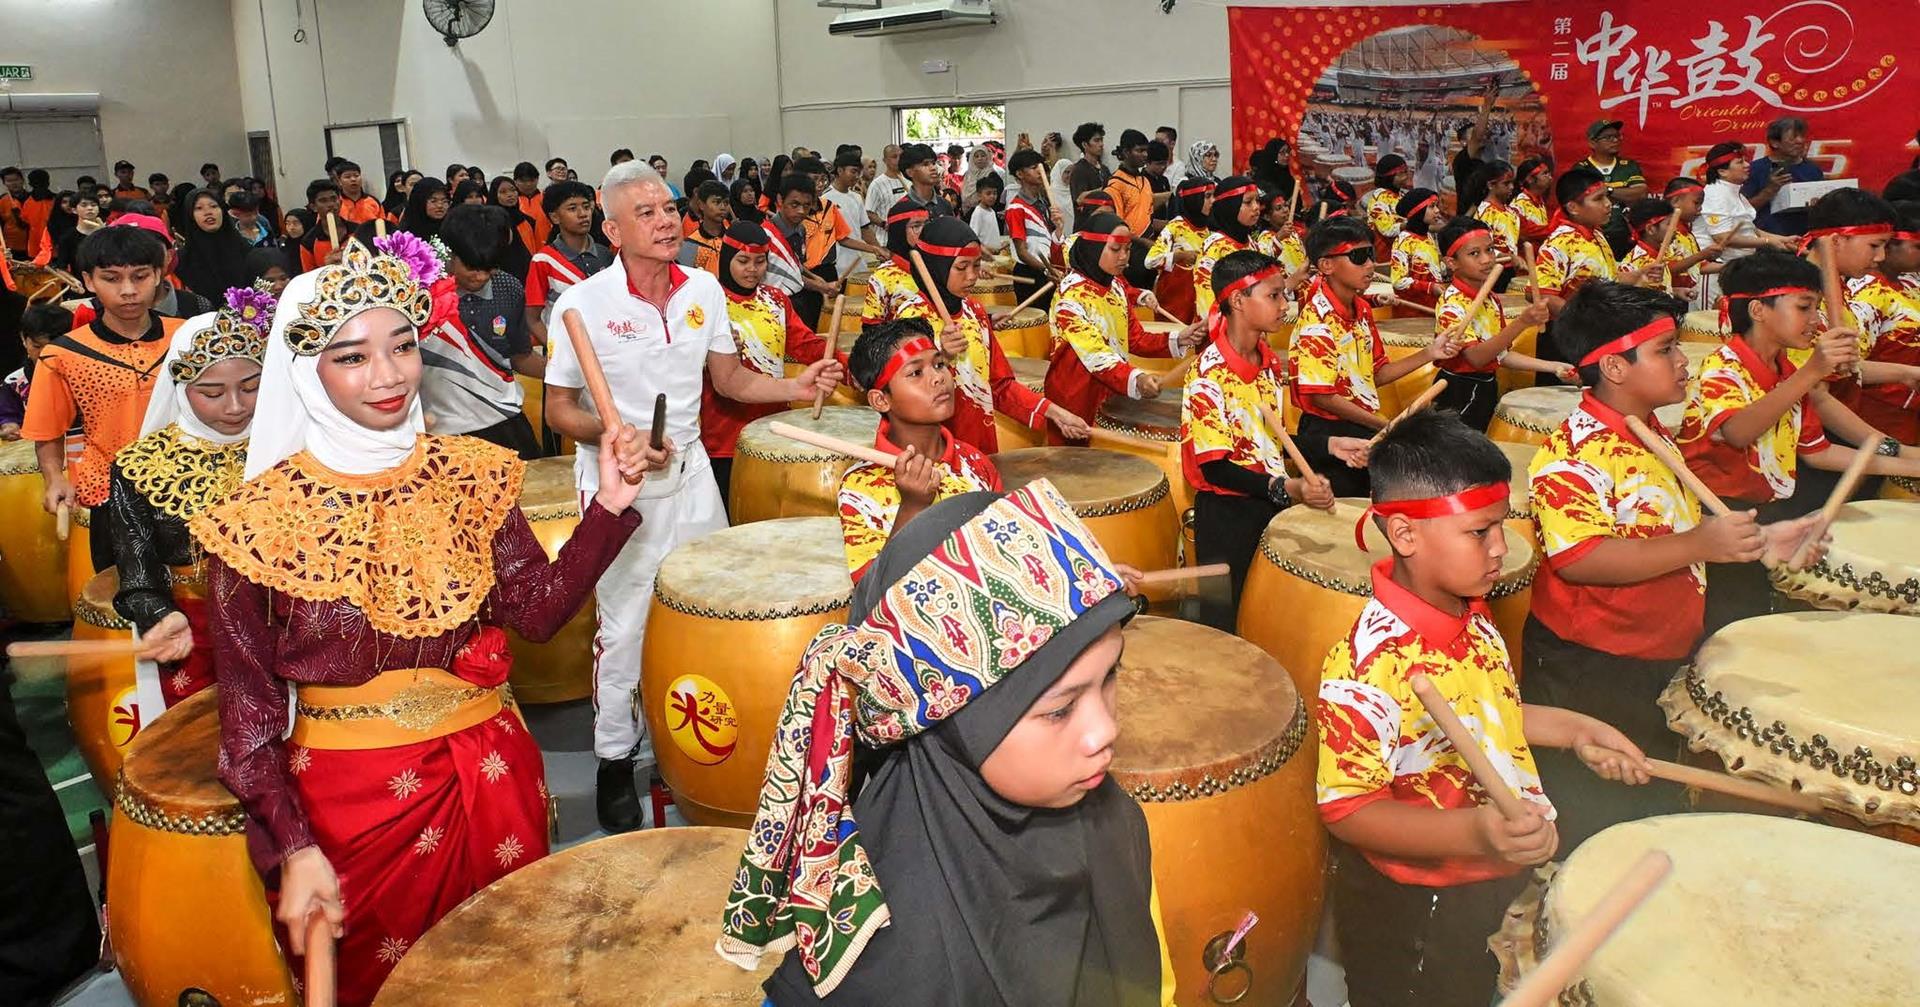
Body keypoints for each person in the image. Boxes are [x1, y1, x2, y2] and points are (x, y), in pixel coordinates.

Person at [191, 238, 648, 1007]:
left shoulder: (468, 472)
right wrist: (293, 847)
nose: (390, 374)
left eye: (402, 345)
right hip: (353, 805)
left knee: (519, 972)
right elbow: (248, 720)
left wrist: (608, 506)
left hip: (494, 769)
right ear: (308, 370)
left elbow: (534, 613)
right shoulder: (254, 523)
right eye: (353, 357)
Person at [718, 482, 1170, 1007]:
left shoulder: (1113, 821)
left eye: (1110, 675)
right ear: (958, 720)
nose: (1105, 731)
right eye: (1059, 709)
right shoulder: (881, 961)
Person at [1319, 408, 1655, 1007]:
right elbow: (1347, 811)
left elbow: (1489, 716)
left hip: (1485, 872)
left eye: (1502, 525)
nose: (1502, 547)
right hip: (1414, 900)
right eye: (1481, 531)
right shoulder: (1367, 663)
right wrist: (1476, 830)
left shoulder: (1471, 612)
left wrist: (1578, 730)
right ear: (1404, 535)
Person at [545, 163, 842, 832]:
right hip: (620, 487)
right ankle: (614, 760)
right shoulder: (581, 306)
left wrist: (797, 386)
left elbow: (730, 379)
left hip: (692, 476)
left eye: (667, 206)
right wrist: (610, 433)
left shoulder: (704, 288)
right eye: (645, 212)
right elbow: (559, 406)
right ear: (613, 229)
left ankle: (701, 751)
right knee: (623, 629)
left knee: (711, 610)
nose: (665, 219)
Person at [1524, 280, 1818, 850]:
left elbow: (1668, 529)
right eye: (1666, 350)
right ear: (1614, 366)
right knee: (1597, 816)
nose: (1686, 362)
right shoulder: (1574, 452)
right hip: (1595, 661)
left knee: (1643, 793)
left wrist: (1764, 538)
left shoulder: (1650, 433)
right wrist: (1700, 546)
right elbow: (1581, 558)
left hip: (1651, 647)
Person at [1676, 250, 1916, 634]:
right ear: (1758, 310)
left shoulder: (1784, 368)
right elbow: (1738, 432)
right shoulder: (1724, 366)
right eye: (1804, 307)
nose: (1816, 320)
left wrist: (1910, 464)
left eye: (1818, 308)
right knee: (1731, 626)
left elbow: (1816, 451)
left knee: (1759, 612)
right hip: (1718, 514)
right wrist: (1812, 373)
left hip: (1763, 509)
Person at [108, 288, 270, 724]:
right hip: (193, 631)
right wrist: (159, 615)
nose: (235, 407)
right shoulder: (140, 466)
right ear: (180, 388)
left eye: (251, 387)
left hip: (282, 627)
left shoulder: (285, 450)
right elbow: (137, 573)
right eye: (212, 393)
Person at [1182, 250, 1339, 626]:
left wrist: (1330, 445)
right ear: (1238, 300)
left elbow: (1270, 438)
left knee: (1264, 620)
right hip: (1226, 517)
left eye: (1284, 294)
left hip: (1267, 501)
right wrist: (1288, 488)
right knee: (1222, 625)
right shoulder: (1208, 375)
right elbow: (1216, 469)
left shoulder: (1268, 361)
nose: (1285, 305)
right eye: (1274, 296)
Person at [24, 224, 183, 572]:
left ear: (159, 274)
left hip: (187, 487)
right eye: (111, 278)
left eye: (140, 276)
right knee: (126, 602)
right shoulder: (63, 354)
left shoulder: (187, 338)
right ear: (88, 280)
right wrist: (54, 478)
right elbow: (47, 432)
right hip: (110, 496)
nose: (128, 290)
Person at [1292, 216, 1458, 496]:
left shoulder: (1361, 309)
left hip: (1361, 422)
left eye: (1370, 254)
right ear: (1326, 265)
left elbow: (1376, 374)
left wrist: (1430, 352)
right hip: (1328, 433)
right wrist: (1385, 425)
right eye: (1358, 256)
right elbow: (1322, 396)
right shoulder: (1316, 321)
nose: (1370, 264)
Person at [901, 216, 1086, 451]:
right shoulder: (911, 318)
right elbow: (906, 396)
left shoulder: (974, 312)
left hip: (979, 442)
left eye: (976, 265)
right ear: (935, 265)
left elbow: (1000, 386)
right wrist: (941, 358)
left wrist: (1054, 412)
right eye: (961, 267)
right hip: (935, 450)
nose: (971, 276)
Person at [836, 318, 1003, 580]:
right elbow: (871, 591)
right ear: (881, 399)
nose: (938, 378)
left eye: (939, 364)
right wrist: (913, 506)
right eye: (916, 373)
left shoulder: (975, 463)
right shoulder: (860, 486)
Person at [702, 220, 828, 507]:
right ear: (726, 258)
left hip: (775, 424)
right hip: (725, 435)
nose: (752, 269)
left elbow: (804, 344)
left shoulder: (776, 299)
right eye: (743, 261)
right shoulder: (711, 303)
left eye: (760, 261)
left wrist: (845, 362)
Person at [1046, 213, 1199, 443]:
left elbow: (1135, 338)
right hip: (1074, 397)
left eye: (1127, 250)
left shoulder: (1115, 286)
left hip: (1111, 389)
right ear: (1094, 249)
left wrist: (1179, 338)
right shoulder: (1070, 297)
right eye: (1115, 249)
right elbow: (1096, 354)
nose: (1124, 258)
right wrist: (1136, 379)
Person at [420, 207, 543, 457]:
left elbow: (520, 356)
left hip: (504, 421)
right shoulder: (421, 294)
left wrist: (570, 372)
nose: (482, 276)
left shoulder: (508, 287)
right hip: (443, 431)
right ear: (450, 254)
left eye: (490, 268)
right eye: (473, 267)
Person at [1432, 217, 1562, 429]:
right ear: (1451, 263)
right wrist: (1522, 322)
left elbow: (1500, 354)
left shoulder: (1490, 299)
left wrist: (1554, 367)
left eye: (1490, 250)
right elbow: (1476, 358)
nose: (1486, 259)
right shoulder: (1452, 305)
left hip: (1486, 386)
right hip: (1458, 391)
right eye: (1474, 253)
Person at [523, 180, 611, 353]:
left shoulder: (604, 254)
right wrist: (556, 350)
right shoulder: (543, 261)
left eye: (586, 206)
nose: (583, 214)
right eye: (572, 208)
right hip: (565, 355)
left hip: (605, 351)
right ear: (554, 217)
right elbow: (532, 318)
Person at [760, 170, 842, 325]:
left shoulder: (801, 229)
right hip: (773, 306)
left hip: (797, 301)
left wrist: (816, 278)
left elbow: (796, 265)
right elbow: (789, 274)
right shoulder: (766, 234)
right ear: (779, 200)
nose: (801, 211)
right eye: (794, 204)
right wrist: (819, 286)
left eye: (806, 205)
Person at [1574, 119, 1648, 258]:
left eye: (1617, 136)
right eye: (1608, 137)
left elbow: (1640, 193)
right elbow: (1581, 202)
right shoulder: (1581, 168)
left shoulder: (1628, 166)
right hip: (1592, 237)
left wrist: (1607, 191)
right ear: (1592, 143)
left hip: (1625, 237)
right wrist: (1624, 194)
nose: (1615, 140)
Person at [1743, 117, 1825, 238]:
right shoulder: (1754, 169)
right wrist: (1769, 190)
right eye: (1793, 138)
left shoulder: (1813, 169)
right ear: (1774, 142)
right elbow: (1741, 211)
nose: (1800, 141)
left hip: (1805, 240)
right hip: (1766, 242)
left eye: (1802, 136)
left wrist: (1820, 206)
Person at [1146, 177, 1213, 322]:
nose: (1212, 201)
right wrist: (1179, 256)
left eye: (1213, 196)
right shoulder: (1176, 226)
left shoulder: (1208, 231)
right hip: (1173, 305)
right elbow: (1150, 261)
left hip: (1196, 305)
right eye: (1207, 196)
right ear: (1194, 199)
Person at [0, 304, 68, 441]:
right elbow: (8, 415)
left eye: (55, 347)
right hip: (39, 450)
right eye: (37, 346)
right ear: (23, 339)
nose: (44, 353)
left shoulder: (87, 374)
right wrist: (10, 425)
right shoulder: (15, 382)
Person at [1193, 176, 1260, 316]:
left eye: (1257, 201)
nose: (1256, 207)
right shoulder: (1214, 246)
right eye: (1248, 202)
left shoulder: (1252, 243)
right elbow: (1206, 303)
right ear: (1230, 207)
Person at [862, 198, 931, 325]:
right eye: (916, 226)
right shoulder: (882, 277)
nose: (924, 231)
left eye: (926, 224)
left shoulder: (938, 267)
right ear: (899, 231)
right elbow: (871, 327)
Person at [176, 188, 254, 298]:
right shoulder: (183, 260)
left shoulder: (245, 249)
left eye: (214, 206)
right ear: (190, 216)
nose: (208, 212)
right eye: (199, 208)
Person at [1005, 148, 1063, 286]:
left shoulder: (1044, 202)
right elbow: (1022, 252)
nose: (1039, 171)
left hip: (1049, 270)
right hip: (1030, 272)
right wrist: (1046, 269)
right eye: (1033, 167)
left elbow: (1052, 238)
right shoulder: (1016, 208)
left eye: (1041, 167)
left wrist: (1059, 226)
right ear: (1020, 174)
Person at [823, 151, 880, 279]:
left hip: (858, 263)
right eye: (853, 171)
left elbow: (865, 229)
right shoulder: (825, 199)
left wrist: (879, 249)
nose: (856, 176)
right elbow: (839, 238)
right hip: (837, 268)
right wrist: (872, 249)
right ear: (840, 170)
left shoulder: (856, 197)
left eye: (858, 172)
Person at [1388, 188, 1447, 309]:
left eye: (1436, 206)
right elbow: (1398, 282)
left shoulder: (1428, 236)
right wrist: (1430, 287)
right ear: (1417, 211)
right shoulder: (1403, 241)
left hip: (1432, 306)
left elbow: (1430, 268)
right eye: (1432, 206)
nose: (1437, 211)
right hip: (1413, 312)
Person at [1104, 129, 1155, 240]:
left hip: (1148, 246)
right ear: (1126, 152)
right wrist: (1142, 242)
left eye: (1146, 150)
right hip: (1127, 246)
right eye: (1140, 151)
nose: (1145, 155)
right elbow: (1116, 225)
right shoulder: (1116, 183)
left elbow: (1148, 217)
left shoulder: (1145, 181)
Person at [1360, 154, 1412, 256]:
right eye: (1401, 174)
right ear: (1389, 177)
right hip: (1384, 253)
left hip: (1399, 249)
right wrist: (1413, 223)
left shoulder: (1401, 194)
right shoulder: (1379, 199)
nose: (1406, 177)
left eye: (1406, 172)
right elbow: (1387, 229)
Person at [678, 180, 731, 277]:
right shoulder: (690, 244)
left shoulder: (733, 239)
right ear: (701, 205)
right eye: (717, 202)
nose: (723, 207)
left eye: (726, 203)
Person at [1511, 157, 1554, 251]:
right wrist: (1554, 229)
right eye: (1545, 173)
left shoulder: (1540, 201)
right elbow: (1524, 232)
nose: (1550, 177)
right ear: (1530, 179)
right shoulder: (1519, 203)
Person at [897, 143, 950, 217]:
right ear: (910, 172)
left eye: (933, 163)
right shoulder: (901, 209)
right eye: (925, 164)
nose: (933, 168)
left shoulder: (944, 204)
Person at [864, 143, 908, 225]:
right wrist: (884, 224)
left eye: (901, 156)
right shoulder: (877, 184)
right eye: (894, 157)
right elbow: (869, 212)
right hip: (885, 236)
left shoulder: (909, 180)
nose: (899, 159)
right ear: (885, 160)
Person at [1068, 121, 1110, 203]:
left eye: (1101, 140)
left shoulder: (1104, 169)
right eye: (1096, 141)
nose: (1101, 144)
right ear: (1084, 144)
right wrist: (1105, 189)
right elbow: (1079, 198)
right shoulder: (1079, 170)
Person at [967, 171, 1008, 253]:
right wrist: (987, 249)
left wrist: (1000, 244)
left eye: (995, 193)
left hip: (994, 254)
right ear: (979, 195)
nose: (992, 196)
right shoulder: (978, 213)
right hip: (984, 256)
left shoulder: (992, 211)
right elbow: (973, 238)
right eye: (988, 193)